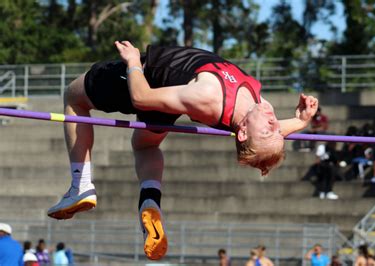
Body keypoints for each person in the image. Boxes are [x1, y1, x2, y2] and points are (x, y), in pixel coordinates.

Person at [46, 41, 319, 261]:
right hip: (174, 89)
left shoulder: (209, 96)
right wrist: (301, 121)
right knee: (144, 144)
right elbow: (272, 136)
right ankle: (150, 202)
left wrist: (131, 62)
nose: (274, 123)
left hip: (148, 76)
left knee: (73, 96)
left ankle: (80, 185)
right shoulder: (257, 108)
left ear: (244, 132)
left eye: (269, 129)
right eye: (275, 129)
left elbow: (141, 97)